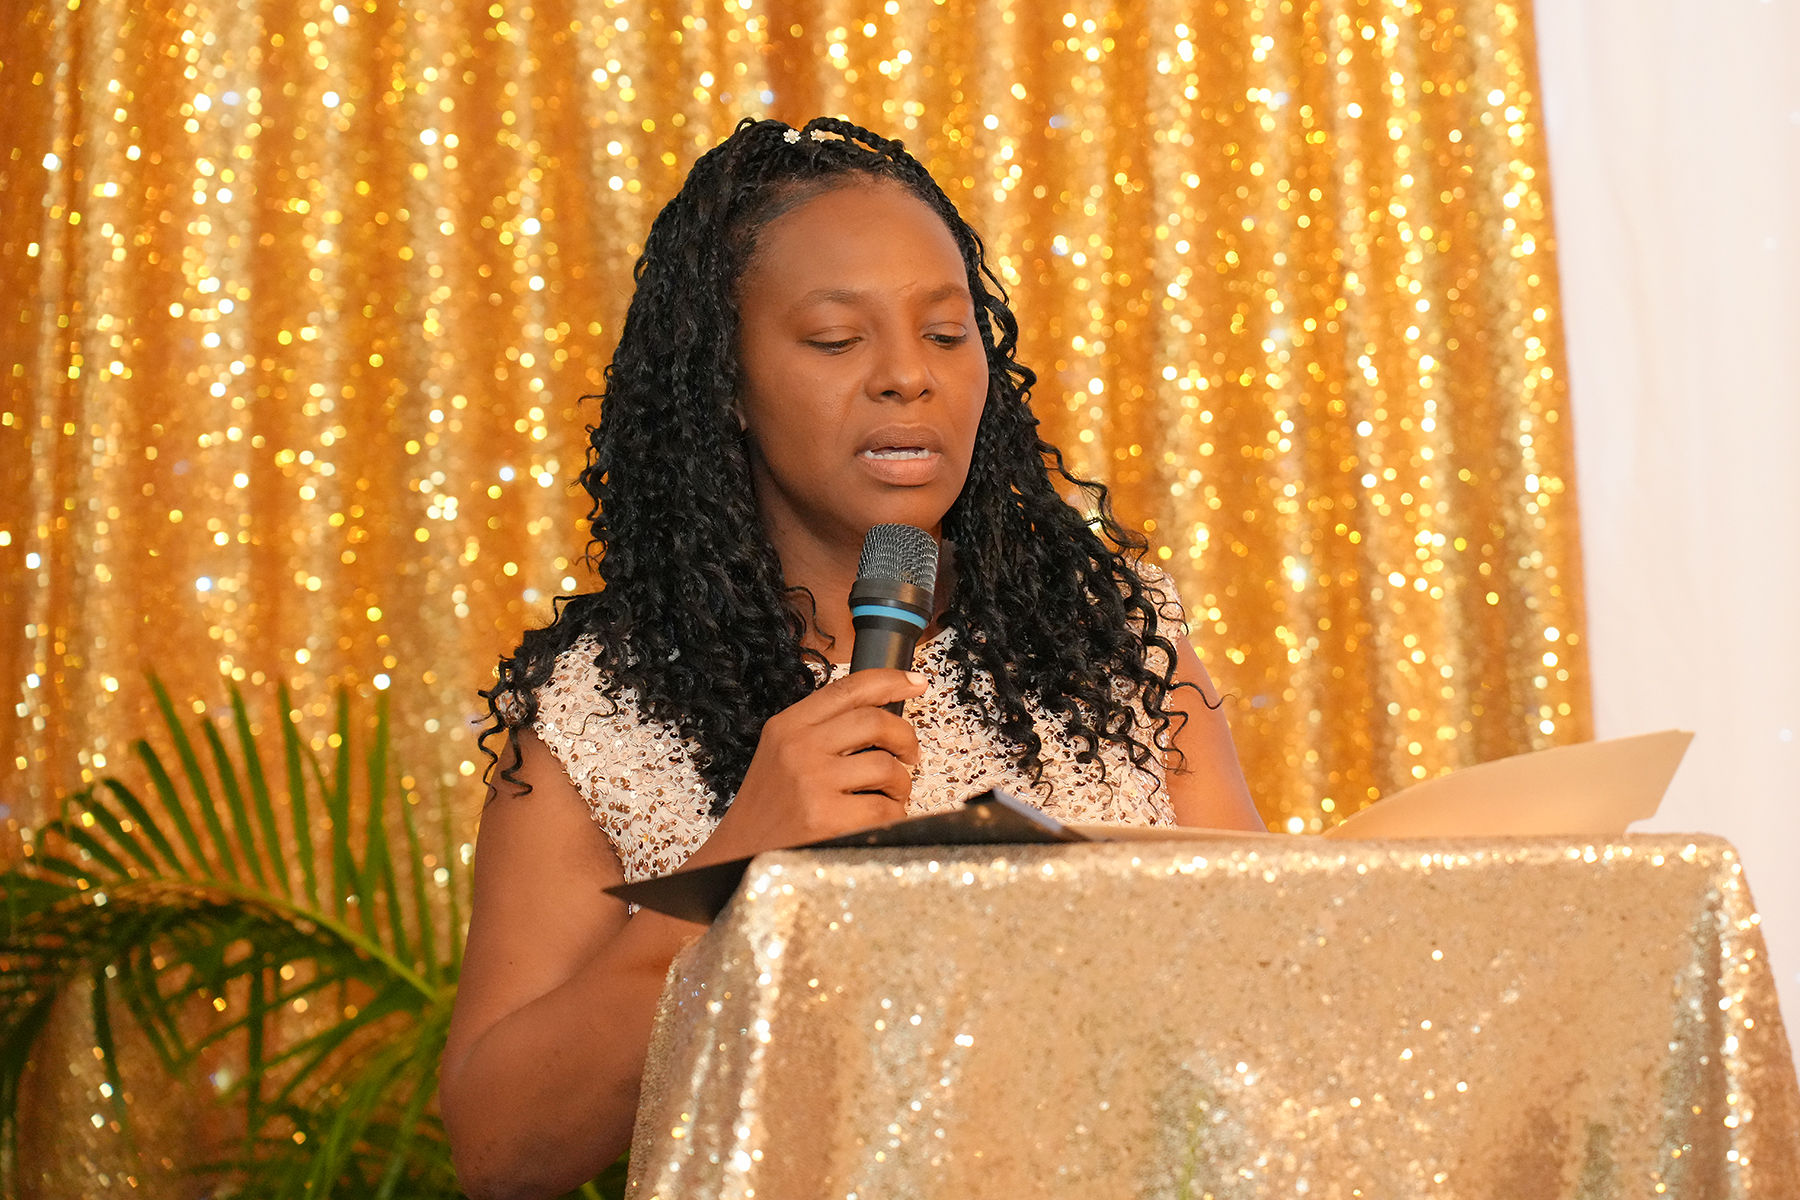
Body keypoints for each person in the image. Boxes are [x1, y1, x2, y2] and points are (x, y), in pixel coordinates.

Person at [438, 116, 1263, 1200]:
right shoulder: (602, 708)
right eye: (836, 340)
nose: (907, 377)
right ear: (726, 384)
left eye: (946, 333)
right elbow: (499, 1150)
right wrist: (740, 869)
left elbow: (1260, 990)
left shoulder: (1111, 637)